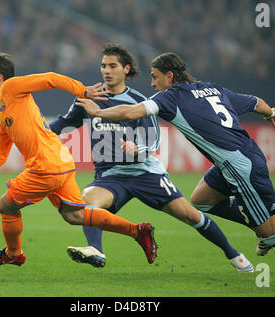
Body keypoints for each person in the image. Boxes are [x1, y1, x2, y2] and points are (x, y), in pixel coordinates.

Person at [75, 52, 275, 286]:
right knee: (201, 200)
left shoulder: (170, 98)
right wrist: (269, 113)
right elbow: (255, 102)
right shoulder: (213, 89)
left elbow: (131, 112)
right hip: (236, 160)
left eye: (155, 78)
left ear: (169, 76)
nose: (152, 84)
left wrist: (98, 113)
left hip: (240, 167)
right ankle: (256, 222)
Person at [50, 43, 254, 272]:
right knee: (86, 202)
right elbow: (62, 124)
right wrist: (36, 132)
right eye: (103, 66)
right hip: (111, 176)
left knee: (190, 215)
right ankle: (96, 250)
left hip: (145, 173)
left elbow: (153, 141)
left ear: (126, 69)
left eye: (112, 65)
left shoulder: (139, 101)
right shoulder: (90, 98)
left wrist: (137, 149)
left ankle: (233, 254)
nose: (106, 70)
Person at [0, 52, 158, 266]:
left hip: (45, 167)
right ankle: (137, 231)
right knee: (74, 215)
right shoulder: (3, 114)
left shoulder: (11, 87)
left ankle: (13, 253)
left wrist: (81, 90)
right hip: (60, 163)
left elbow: (51, 78)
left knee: (6, 206)